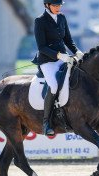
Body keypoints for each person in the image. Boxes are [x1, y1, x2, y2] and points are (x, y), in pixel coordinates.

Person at [33, 0, 84, 136]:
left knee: (77, 76)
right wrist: (58, 55)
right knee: (54, 86)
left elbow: (68, 39)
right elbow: (41, 47)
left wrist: (77, 51)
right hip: (47, 61)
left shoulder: (62, 18)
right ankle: (46, 122)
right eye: (55, 5)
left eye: (59, 5)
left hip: (64, 58)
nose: (58, 8)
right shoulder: (40, 21)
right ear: (47, 5)